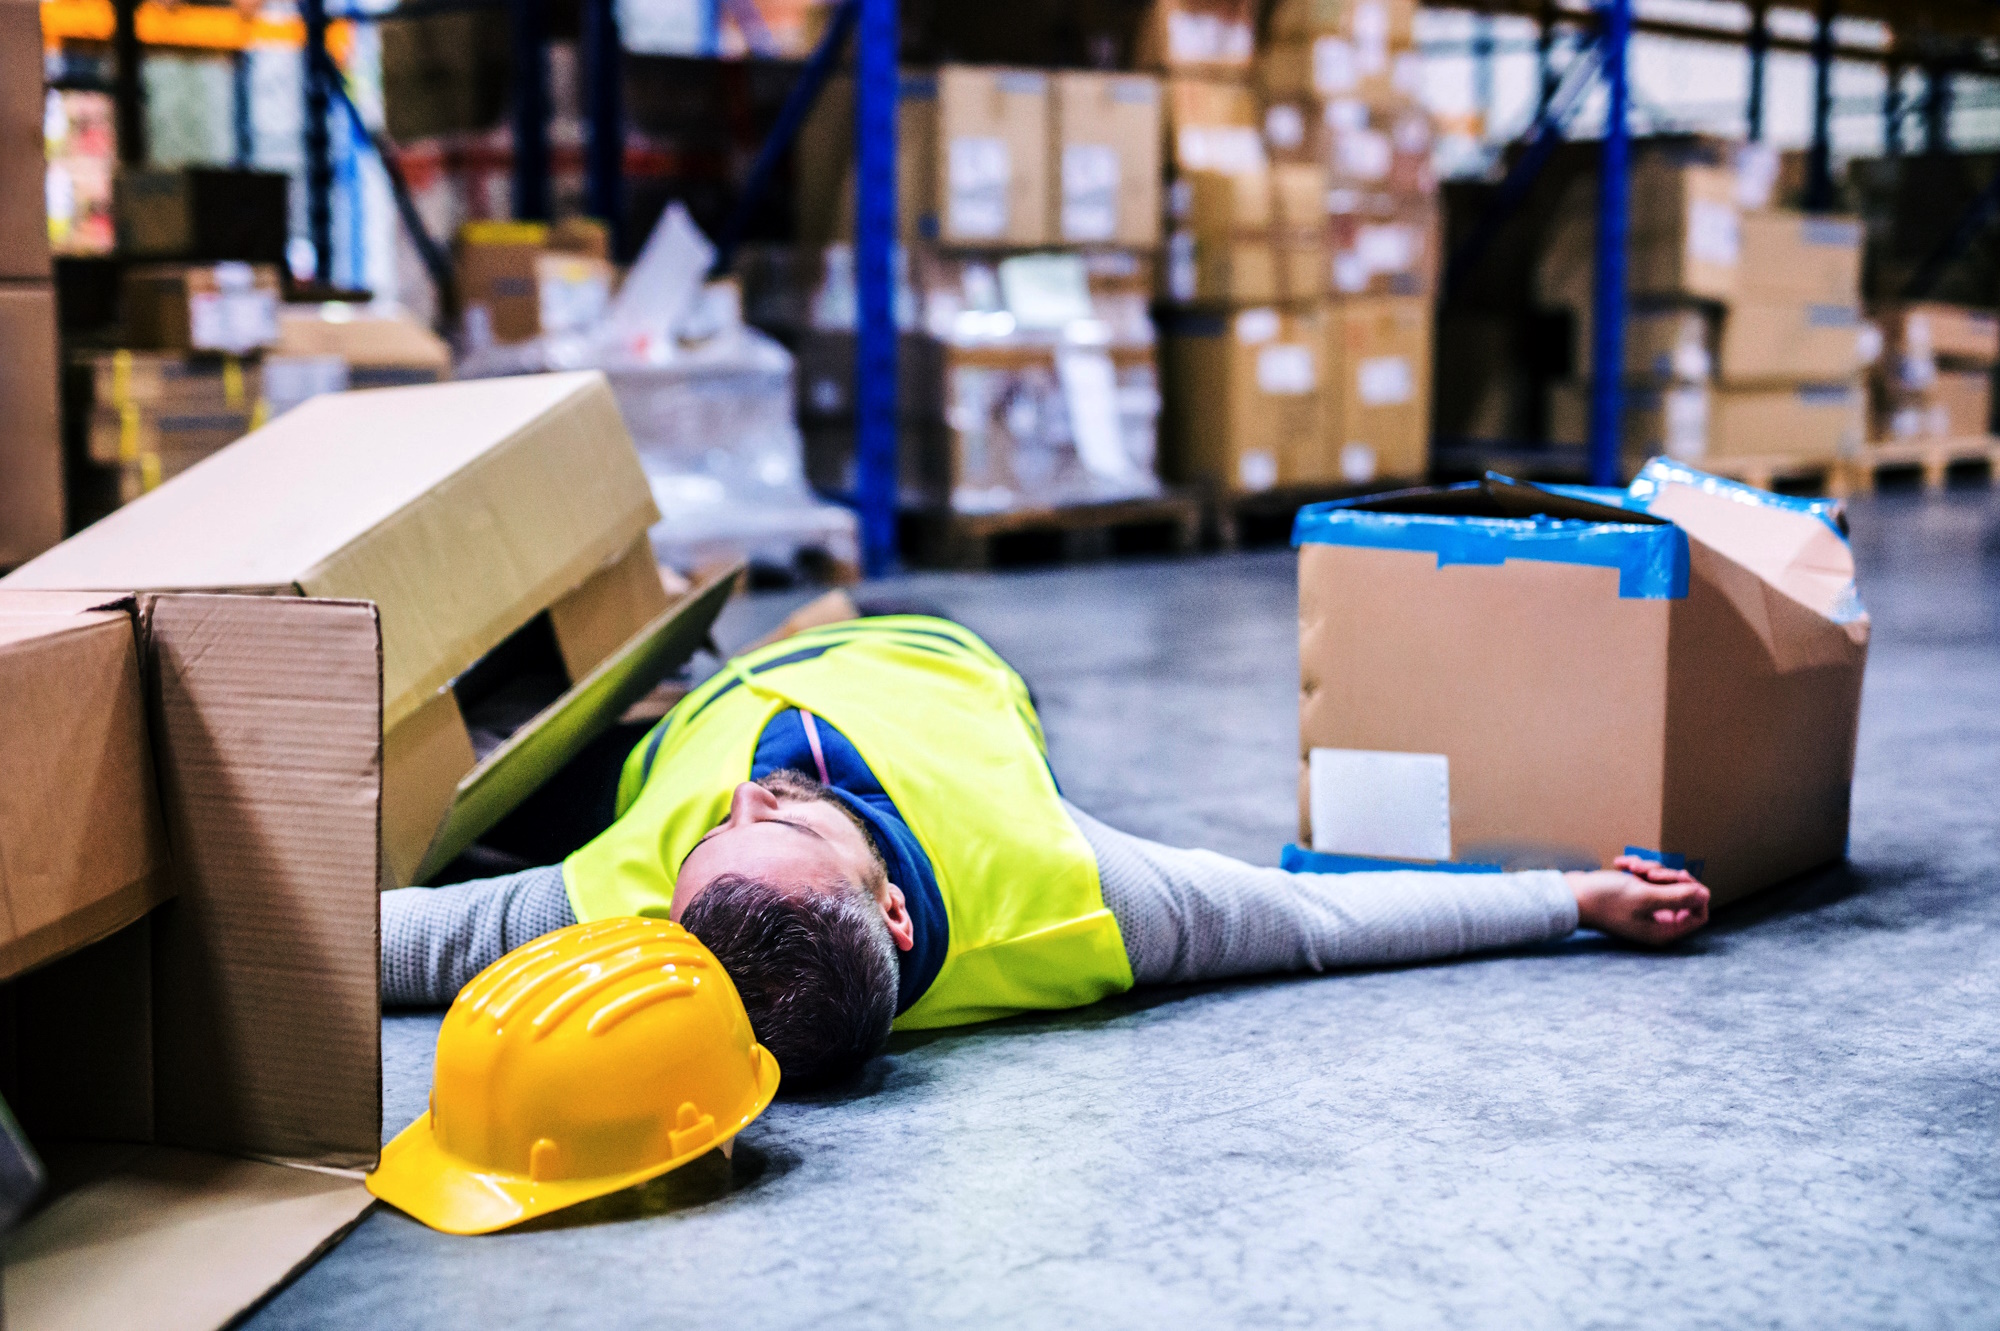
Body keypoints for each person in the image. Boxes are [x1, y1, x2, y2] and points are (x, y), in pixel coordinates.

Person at [382, 614, 1709, 1088]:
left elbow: (397, 939)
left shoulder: (623, 915)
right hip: (930, 651)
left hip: (742, 683)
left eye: (749, 823)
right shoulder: (1078, 901)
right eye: (757, 819)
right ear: (898, 917)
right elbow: (1311, 923)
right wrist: (1573, 896)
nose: (740, 800)